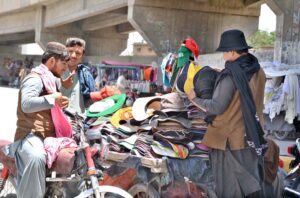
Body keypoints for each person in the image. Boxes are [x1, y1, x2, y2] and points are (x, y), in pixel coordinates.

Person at [187, 29, 268, 197]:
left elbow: (216, 107)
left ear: (232, 52)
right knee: (250, 187)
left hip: (228, 141)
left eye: (225, 52)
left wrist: (194, 98)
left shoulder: (231, 74)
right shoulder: (258, 71)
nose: (223, 56)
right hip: (251, 137)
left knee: (229, 189)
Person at [11, 42, 70, 198]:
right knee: (37, 157)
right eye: (63, 64)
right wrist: (52, 99)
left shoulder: (52, 81)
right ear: (51, 61)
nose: (65, 68)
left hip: (49, 137)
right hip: (30, 135)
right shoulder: (35, 78)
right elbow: (26, 104)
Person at [60, 37, 96, 114]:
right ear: (65, 52)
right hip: (58, 120)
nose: (73, 55)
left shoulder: (85, 75)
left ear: (82, 55)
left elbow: (90, 97)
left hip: (79, 120)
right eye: (70, 51)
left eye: (78, 53)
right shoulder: (56, 72)